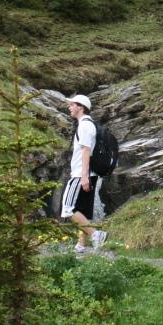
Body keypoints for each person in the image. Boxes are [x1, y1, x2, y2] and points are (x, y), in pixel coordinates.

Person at [60, 94, 107, 253]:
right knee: (83, 211)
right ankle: (81, 245)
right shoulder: (87, 124)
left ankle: (96, 235)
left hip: (81, 174)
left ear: (80, 107)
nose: (69, 107)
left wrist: (84, 176)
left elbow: (86, 150)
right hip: (88, 174)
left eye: (72, 105)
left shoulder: (85, 126)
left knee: (68, 208)